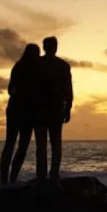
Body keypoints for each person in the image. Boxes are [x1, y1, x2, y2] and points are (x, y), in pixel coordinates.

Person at [0, 43, 41, 184]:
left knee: (11, 144)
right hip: (27, 112)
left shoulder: (18, 66)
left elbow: (10, 89)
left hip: (15, 110)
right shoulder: (35, 70)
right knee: (21, 145)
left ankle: (5, 179)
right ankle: (11, 179)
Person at [34, 36, 73, 182]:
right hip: (55, 109)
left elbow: (31, 88)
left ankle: (41, 176)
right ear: (55, 47)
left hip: (40, 110)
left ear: (44, 47)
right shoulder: (63, 65)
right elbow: (69, 90)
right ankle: (54, 174)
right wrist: (68, 108)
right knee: (56, 144)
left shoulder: (37, 64)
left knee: (41, 145)